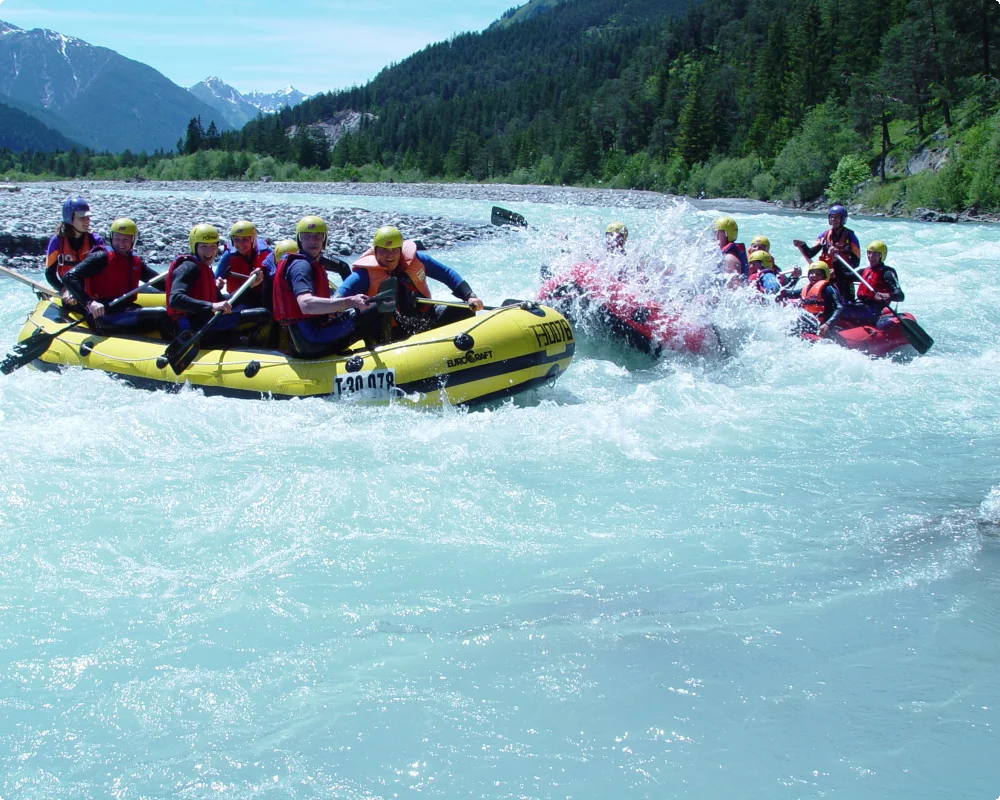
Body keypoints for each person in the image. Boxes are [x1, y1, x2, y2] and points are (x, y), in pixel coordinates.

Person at [338, 225, 484, 337]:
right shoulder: (363, 275)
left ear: (401, 250)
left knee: (466, 311)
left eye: (395, 250)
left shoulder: (418, 260)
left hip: (425, 316)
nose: (390, 255)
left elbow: (447, 274)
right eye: (384, 250)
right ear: (375, 251)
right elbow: (340, 296)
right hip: (390, 331)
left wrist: (469, 296)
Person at [271, 220, 373, 358]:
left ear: (324, 239)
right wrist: (351, 301)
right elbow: (306, 304)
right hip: (311, 342)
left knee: (359, 311)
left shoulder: (313, 262)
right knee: (372, 311)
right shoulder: (300, 267)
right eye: (306, 236)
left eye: (317, 236)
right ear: (299, 239)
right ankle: (386, 357)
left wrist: (332, 310)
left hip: (308, 335)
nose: (312, 241)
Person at [165, 224, 270, 346]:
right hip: (194, 329)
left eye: (213, 246)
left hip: (206, 322)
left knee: (252, 309)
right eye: (204, 247)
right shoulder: (189, 267)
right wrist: (212, 306)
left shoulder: (205, 269)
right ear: (194, 246)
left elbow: (226, 301)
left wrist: (249, 286)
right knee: (264, 316)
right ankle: (258, 353)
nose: (209, 252)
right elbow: (175, 299)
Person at [61, 218, 169, 335]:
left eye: (125, 239)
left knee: (169, 314)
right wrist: (90, 303)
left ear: (133, 240)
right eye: (117, 238)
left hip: (126, 309)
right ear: (111, 237)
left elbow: (160, 283)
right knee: (161, 314)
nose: (121, 243)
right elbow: (69, 277)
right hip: (105, 315)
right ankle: (175, 351)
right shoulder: (100, 257)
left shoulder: (135, 262)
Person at [792, 204, 860, 301]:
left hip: (843, 277)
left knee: (846, 300)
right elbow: (810, 253)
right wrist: (803, 245)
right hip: (825, 276)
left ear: (843, 219)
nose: (833, 220)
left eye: (836, 217)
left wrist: (838, 271)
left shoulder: (851, 237)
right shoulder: (824, 235)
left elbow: (856, 262)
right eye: (831, 217)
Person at [45, 196, 105, 305]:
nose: (87, 221)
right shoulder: (57, 242)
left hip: (90, 289)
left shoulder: (95, 240)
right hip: (69, 287)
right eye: (82, 217)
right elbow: (50, 274)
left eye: (88, 217)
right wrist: (64, 289)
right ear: (69, 218)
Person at [839, 240, 905, 328]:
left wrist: (886, 295)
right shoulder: (865, 271)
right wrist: (836, 261)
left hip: (873, 310)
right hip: (861, 305)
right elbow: (844, 277)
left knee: (840, 309)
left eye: (875, 254)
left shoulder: (887, 272)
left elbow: (900, 296)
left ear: (882, 255)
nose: (871, 256)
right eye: (869, 253)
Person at [214, 220, 272, 309]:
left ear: (253, 239)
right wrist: (218, 284)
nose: (241, 244)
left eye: (245, 239)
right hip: (238, 298)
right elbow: (215, 280)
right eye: (237, 239)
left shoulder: (266, 253)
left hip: (264, 298)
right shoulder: (228, 256)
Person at [779, 261, 845, 337]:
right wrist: (780, 293)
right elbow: (790, 294)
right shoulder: (807, 288)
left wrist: (828, 324)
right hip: (808, 325)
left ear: (824, 276)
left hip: (822, 328)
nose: (813, 275)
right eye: (811, 273)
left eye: (818, 273)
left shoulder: (828, 289)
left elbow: (839, 308)